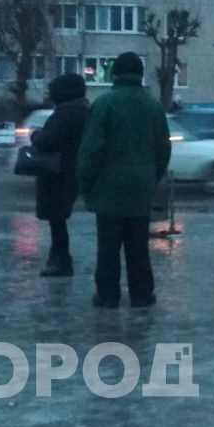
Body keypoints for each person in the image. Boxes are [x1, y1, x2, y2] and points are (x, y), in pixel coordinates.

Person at [77, 52, 172, 308]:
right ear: (140, 75)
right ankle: (142, 294)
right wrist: (151, 176)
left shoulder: (105, 104)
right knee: (138, 246)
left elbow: (92, 149)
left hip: (109, 187)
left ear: (114, 74)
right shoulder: (153, 106)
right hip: (141, 187)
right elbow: (164, 149)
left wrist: (85, 181)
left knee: (108, 246)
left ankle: (108, 295)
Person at [32, 73, 89, 277]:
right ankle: (58, 257)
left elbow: (48, 141)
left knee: (56, 218)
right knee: (58, 217)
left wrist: (35, 135)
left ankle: (60, 259)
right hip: (71, 169)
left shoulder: (64, 114)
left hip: (57, 172)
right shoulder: (84, 112)